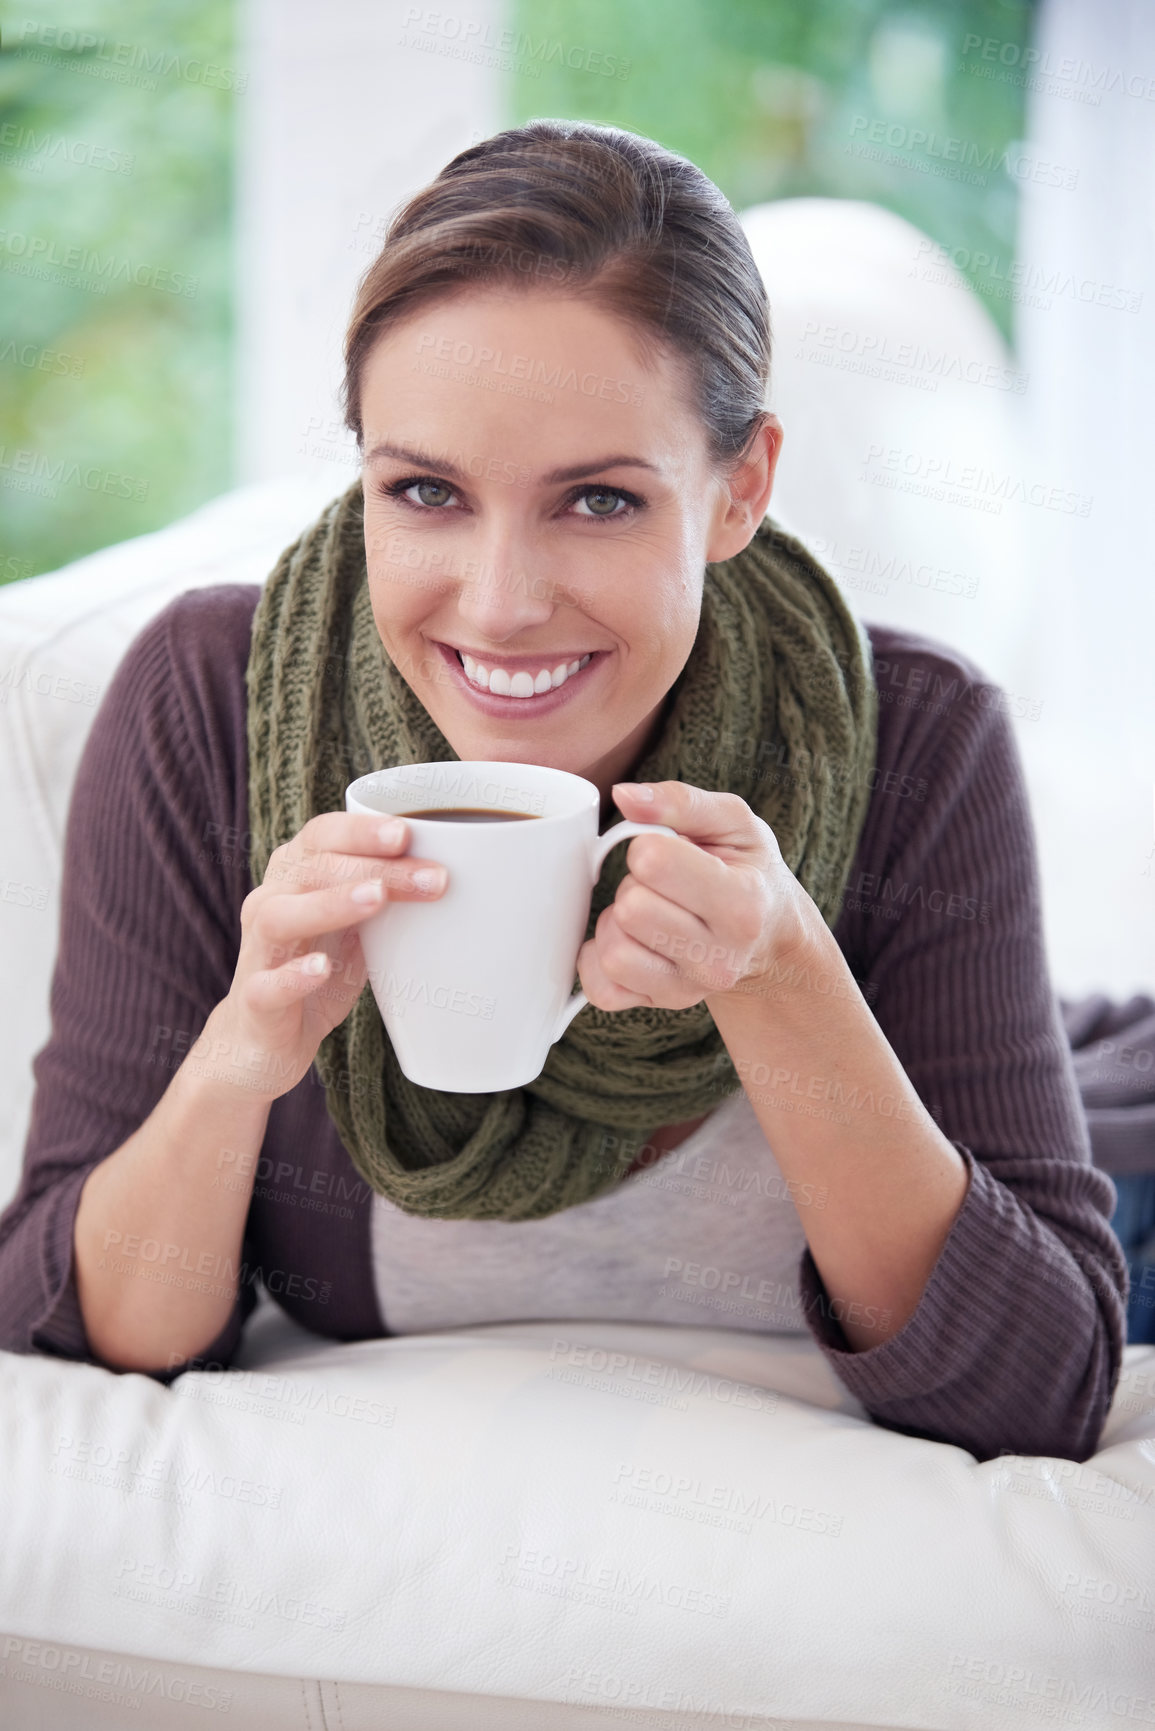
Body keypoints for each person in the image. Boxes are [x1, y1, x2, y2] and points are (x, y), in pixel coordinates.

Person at [0, 120, 1128, 1464]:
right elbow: (77, 1336)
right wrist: (242, 1059)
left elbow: (1038, 1388)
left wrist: (780, 976)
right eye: (426, 491)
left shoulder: (919, 738)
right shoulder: (212, 704)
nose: (501, 603)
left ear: (738, 488)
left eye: (596, 502)